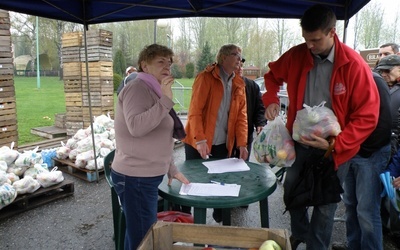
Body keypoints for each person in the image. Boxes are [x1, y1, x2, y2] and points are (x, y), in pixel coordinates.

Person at [262, 4, 379, 250]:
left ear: (332, 32)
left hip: (335, 148)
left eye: (315, 40)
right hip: (299, 143)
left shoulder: (354, 65)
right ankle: (301, 235)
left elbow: (368, 115)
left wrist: (337, 143)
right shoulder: (296, 55)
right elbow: (272, 75)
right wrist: (271, 99)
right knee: (292, 194)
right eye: (306, 39)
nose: (310, 46)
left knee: (325, 206)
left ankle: (317, 247)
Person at [111, 44, 189, 250]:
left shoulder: (154, 90)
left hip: (145, 176)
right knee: (143, 238)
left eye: (169, 63)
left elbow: (159, 136)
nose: (167, 67)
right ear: (145, 66)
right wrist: (166, 101)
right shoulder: (137, 89)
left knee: (140, 233)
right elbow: (136, 127)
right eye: (160, 62)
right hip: (136, 177)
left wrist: (170, 167)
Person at [183, 44, 248, 222]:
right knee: (194, 182)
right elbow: (194, 111)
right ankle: (188, 219)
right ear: (223, 58)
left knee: (222, 181)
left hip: (222, 144)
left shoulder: (239, 83)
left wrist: (242, 143)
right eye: (235, 54)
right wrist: (201, 140)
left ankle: (220, 220)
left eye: (240, 56)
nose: (239, 59)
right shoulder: (205, 78)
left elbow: (242, 117)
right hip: (197, 141)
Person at [332, 71, 392, 250]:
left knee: (366, 210)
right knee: (350, 204)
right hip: (350, 152)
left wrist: (361, 149)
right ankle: (354, 245)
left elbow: (383, 125)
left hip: (370, 154)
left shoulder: (375, 81)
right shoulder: (339, 81)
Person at [235, 58, 266, 159]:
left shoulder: (252, 86)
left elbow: (260, 107)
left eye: (241, 65)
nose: (240, 68)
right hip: (226, 136)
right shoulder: (224, 85)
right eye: (237, 65)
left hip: (246, 133)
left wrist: (260, 123)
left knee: (243, 163)